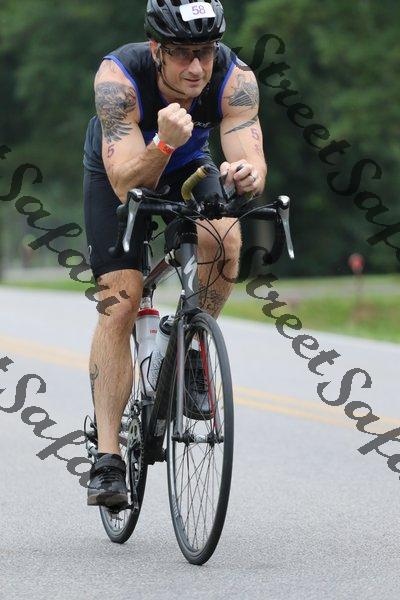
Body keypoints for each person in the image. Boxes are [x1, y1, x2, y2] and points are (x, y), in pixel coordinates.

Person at [83, 0, 267, 508]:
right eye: (183, 53)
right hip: (122, 170)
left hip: (187, 163)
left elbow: (251, 158)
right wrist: (162, 144)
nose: (196, 68)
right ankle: (108, 457)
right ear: (156, 50)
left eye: (205, 52)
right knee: (122, 298)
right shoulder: (118, 80)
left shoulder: (235, 78)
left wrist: (246, 175)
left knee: (225, 236)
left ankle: (192, 347)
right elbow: (125, 184)